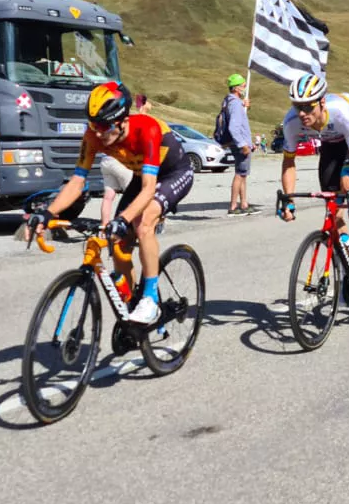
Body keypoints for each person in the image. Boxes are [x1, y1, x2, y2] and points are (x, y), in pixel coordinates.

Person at [38, 82, 193, 326]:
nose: (96, 133)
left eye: (102, 126)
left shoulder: (147, 130)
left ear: (121, 121)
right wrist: (48, 213)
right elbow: (77, 182)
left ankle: (150, 299)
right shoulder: (93, 137)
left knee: (142, 223)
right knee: (118, 243)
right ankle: (133, 306)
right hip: (142, 177)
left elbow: (149, 189)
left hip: (172, 175)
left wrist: (122, 219)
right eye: (92, 124)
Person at [277, 73, 349, 272]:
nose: (302, 113)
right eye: (298, 106)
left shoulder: (339, 113)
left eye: (308, 106)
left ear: (322, 102)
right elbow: (288, 161)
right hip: (330, 141)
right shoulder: (291, 122)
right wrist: (289, 199)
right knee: (332, 204)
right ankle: (347, 257)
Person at [220, 73, 255, 215]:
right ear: (236, 88)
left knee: (243, 173)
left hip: (237, 143)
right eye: (242, 85)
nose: (244, 87)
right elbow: (233, 127)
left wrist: (245, 106)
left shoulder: (230, 101)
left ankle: (244, 203)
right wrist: (243, 144)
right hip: (241, 144)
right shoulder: (234, 103)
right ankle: (233, 206)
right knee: (240, 174)